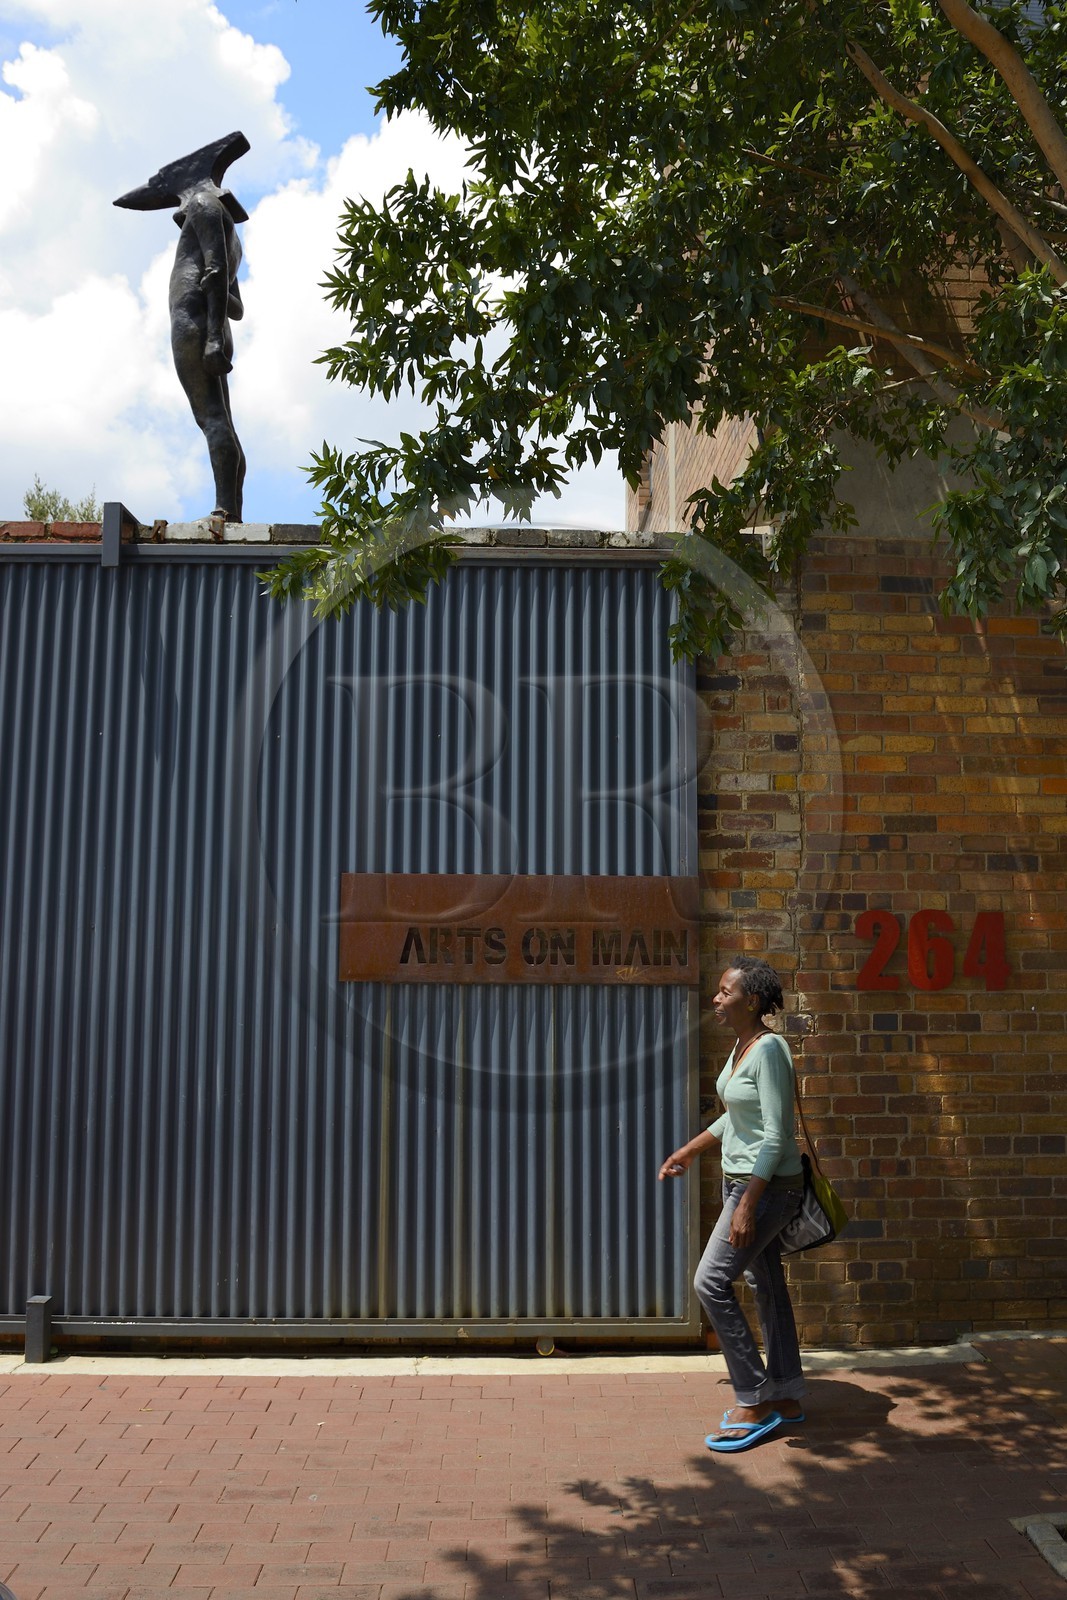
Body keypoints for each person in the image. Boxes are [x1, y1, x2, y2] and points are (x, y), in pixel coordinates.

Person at [659, 956, 806, 1453]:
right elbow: (736, 1121)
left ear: (753, 1001)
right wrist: (689, 1149)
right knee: (765, 1284)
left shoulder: (770, 1050)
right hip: (742, 1184)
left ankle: (755, 1397)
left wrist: (746, 1204)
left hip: (764, 1189)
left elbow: (777, 1134)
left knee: (710, 1281)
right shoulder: (741, 1047)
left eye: (725, 992)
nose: (716, 1000)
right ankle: (785, 1393)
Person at [115, 132, 249, 522]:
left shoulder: (204, 206)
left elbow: (216, 271)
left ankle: (224, 511)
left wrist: (209, 337)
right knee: (218, 419)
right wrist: (216, 319)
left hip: (195, 325)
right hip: (209, 324)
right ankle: (232, 509)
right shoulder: (228, 230)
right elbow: (235, 306)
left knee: (210, 418)